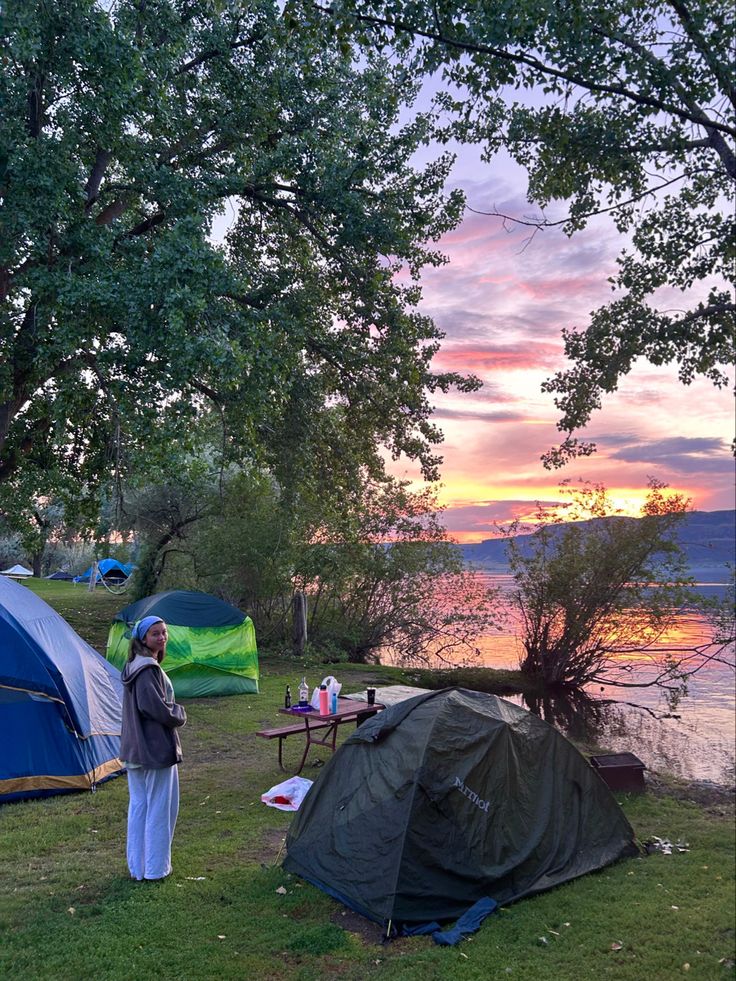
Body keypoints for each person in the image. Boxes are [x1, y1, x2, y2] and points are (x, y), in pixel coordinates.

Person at [120, 615, 187, 882]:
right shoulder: (147, 669)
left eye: (164, 632)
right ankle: (155, 869)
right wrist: (178, 714)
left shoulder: (133, 665)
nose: (161, 637)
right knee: (159, 807)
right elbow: (154, 706)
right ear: (143, 639)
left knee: (140, 806)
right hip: (153, 748)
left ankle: (138, 868)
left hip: (135, 748)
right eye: (155, 634)